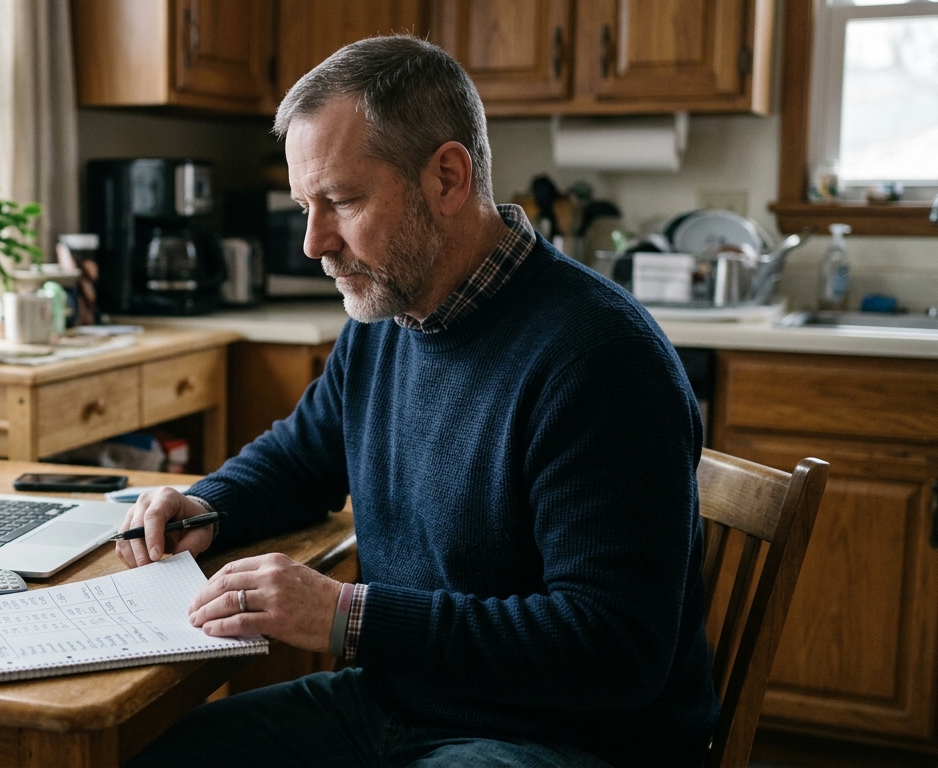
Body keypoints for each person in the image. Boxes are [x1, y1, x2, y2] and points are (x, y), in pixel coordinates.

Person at [119, 35, 718, 768]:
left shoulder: (599, 360)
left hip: (570, 739)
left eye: (339, 201)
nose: (313, 243)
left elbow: (614, 650)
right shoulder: (386, 317)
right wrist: (205, 506)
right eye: (307, 205)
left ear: (447, 177)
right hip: (402, 705)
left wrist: (345, 615)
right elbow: (300, 459)